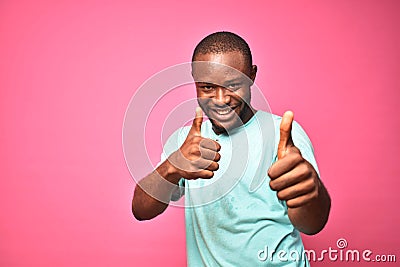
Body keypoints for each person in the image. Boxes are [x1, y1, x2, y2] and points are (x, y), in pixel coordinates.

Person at [132, 31, 331, 266]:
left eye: (233, 84)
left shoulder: (283, 135)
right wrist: (171, 168)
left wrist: (309, 192)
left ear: (252, 76)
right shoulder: (186, 143)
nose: (220, 99)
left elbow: (312, 224)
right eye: (207, 87)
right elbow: (140, 210)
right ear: (194, 80)